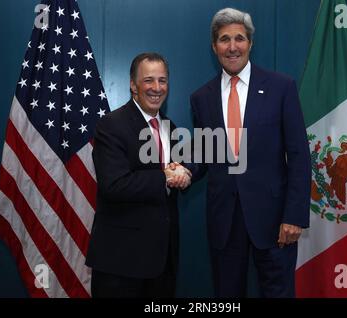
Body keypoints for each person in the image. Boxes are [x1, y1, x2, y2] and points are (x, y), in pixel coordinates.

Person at [185, 8, 311, 297]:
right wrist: (186, 170)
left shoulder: (282, 87)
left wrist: (294, 215)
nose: (232, 47)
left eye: (239, 38)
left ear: (250, 43)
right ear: (214, 46)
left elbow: (299, 156)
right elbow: (206, 152)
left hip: (275, 221)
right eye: (224, 39)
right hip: (224, 222)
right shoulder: (201, 98)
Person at [85, 52, 191, 297]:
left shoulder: (170, 127)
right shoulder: (111, 125)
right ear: (133, 85)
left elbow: (174, 174)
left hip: (163, 263)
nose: (156, 88)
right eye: (148, 80)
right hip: (122, 265)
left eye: (162, 80)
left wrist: (183, 175)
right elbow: (114, 184)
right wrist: (165, 176)